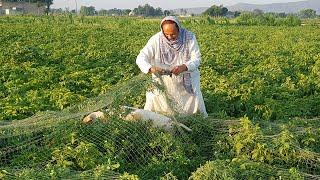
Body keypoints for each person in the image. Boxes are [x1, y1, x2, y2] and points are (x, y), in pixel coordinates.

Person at [136, 16, 208, 117]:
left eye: (173, 34)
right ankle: (161, 121)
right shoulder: (156, 39)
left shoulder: (189, 37)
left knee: (191, 103)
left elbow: (196, 58)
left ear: (179, 28)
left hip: (185, 78)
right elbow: (141, 57)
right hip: (163, 80)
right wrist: (151, 69)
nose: (170, 37)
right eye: (166, 34)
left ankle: (192, 119)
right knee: (158, 101)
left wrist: (184, 67)